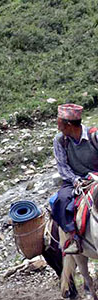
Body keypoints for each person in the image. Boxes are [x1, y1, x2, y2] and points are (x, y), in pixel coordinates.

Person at [51, 103, 98, 254]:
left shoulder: (94, 135)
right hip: (75, 180)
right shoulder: (60, 140)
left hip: (96, 176)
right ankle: (73, 237)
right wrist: (76, 180)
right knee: (61, 200)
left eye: (60, 124)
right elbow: (63, 167)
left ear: (69, 125)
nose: (58, 128)